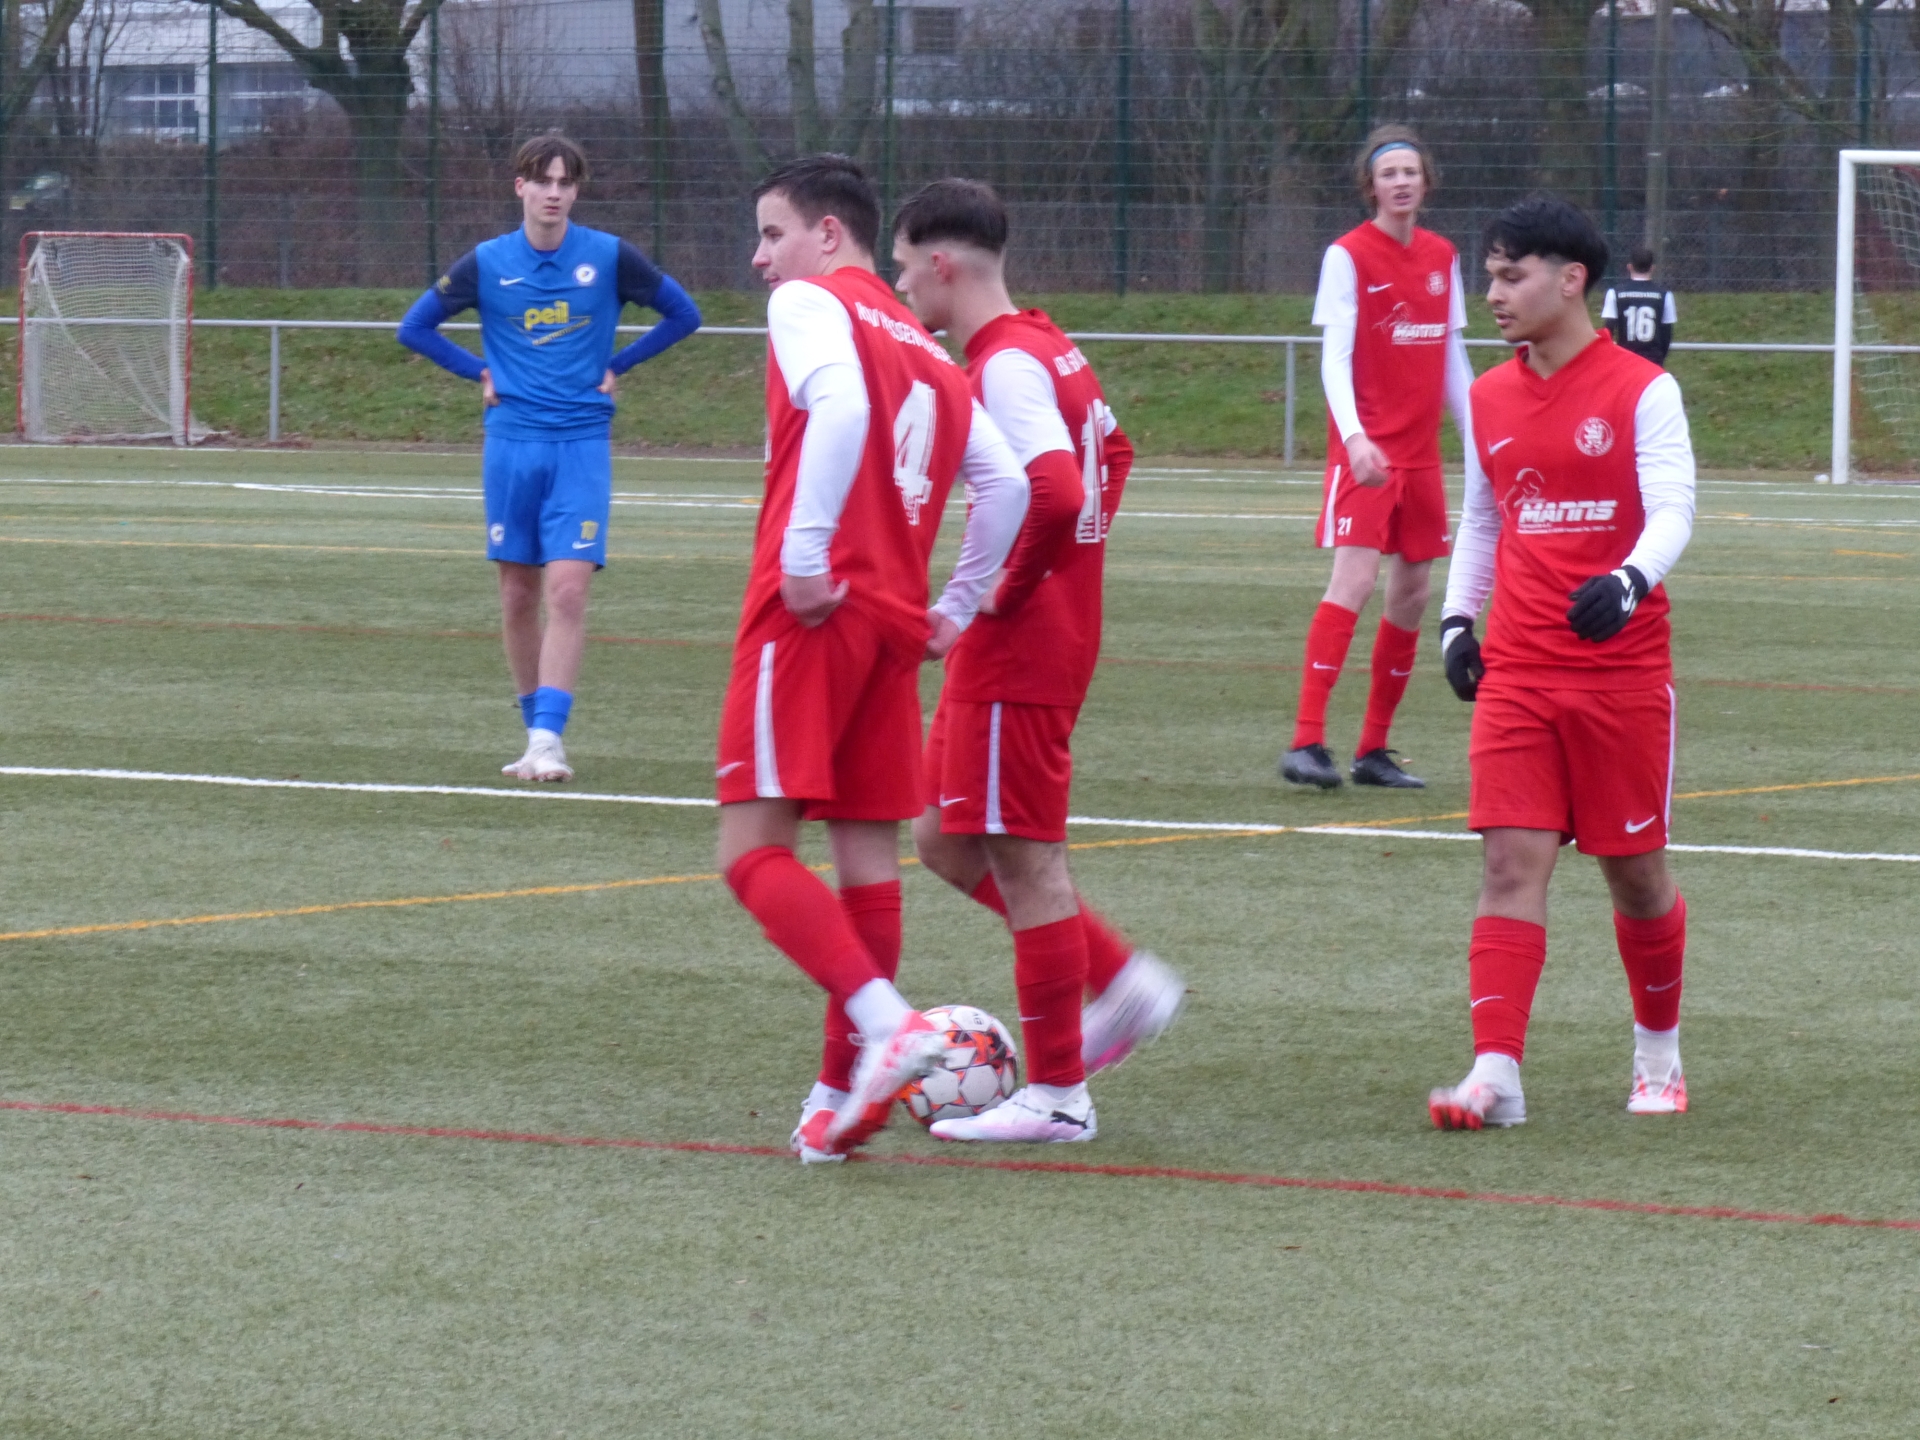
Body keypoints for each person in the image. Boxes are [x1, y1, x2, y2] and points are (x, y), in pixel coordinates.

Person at [714, 154, 1031, 1163]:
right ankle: (839, 1097)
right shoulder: (928, 349)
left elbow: (843, 408)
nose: (760, 257)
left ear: (828, 234)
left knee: (751, 852)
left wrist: (807, 557)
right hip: (892, 624)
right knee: (863, 863)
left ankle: (888, 1026)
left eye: (773, 233)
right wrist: (953, 609)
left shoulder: (813, 304)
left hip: (811, 613)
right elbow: (1008, 484)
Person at [890, 178, 1185, 1145]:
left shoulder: (1006, 363)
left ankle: (1058, 1093)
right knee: (943, 837)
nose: (902, 287)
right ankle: (1118, 980)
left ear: (942, 263)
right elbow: (1116, 456)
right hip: (1040, 635)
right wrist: (1067, 569)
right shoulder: (1049, 344)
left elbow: (1056, 491)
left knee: (1024, 860)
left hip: (1019, 645)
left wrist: (1004, 594)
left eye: (904, 267)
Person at [1427, 197, 1697, 1131]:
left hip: (1621, 676)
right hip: (1519, 672)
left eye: (1511, 276)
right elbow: (1485, 517)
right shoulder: (1489, 396)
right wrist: (1458, 621)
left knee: (1637, 875)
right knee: (1510, 864)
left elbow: (1674, 509)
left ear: (1571, 280)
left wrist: (1628, 579)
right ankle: (1496, 1073)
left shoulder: (1643, 390)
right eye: (1489, 276)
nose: (1492, 294)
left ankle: (1658, 1055)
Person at [398, 133, 702, 782]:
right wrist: (479, 371)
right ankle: (532, 733)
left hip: (580, 445)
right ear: (521, 187)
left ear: (576, 191)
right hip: (512, 444)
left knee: (566, 590)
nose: (555, 193)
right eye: (543, 181)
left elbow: (684, 314)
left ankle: (548, 739)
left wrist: (620, 364)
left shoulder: (609, 256)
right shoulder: (487, 262)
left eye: (566, 182)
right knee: (517, 594)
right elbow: (414, 327)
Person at [1282, 124, 1484, 792]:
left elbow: (1451, 357)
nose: (1401, 182)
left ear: (1426, 182)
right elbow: (1334, 359)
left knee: (1413, 593)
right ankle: (1306, 741)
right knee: (1356, 580)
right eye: (1389, 173)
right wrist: (1354, 438)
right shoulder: (1347, 255)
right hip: (1366, 452)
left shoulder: (1442, 255)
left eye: (1410, 172)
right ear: (1370, 185)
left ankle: (1373, 750)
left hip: (1420, 457)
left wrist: (1481, 440)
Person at [1600, 247, 1677, 367]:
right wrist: (1660, 358)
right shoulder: (1665, 295)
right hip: (1653, 360)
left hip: (1626, 359)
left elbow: (1608, 329)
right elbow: (1667, 334)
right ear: (1652, 268)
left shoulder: (1615, 293)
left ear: (1629, 267)